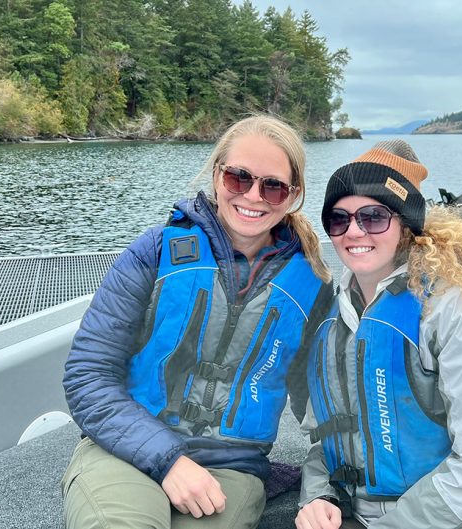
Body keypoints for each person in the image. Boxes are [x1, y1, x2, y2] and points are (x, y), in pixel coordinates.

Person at [61, 114, 333, 529]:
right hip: (126, 449)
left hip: (232, 467)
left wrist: (324, 489)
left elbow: (324, 406)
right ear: (217, 174)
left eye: (273, 186)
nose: (254, 196)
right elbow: (87, 375)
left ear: (293, 195)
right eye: (239, 178)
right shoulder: (154, 251)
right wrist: (168, 460)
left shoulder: (312, 286)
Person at [295, 140, 462, 529]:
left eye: (373, 217)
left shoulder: (456, 310)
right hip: (365, 513)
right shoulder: (331, 315)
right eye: (339, 219)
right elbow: (328, 437)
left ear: (405, 222)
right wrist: (319, 495)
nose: (354, 231)